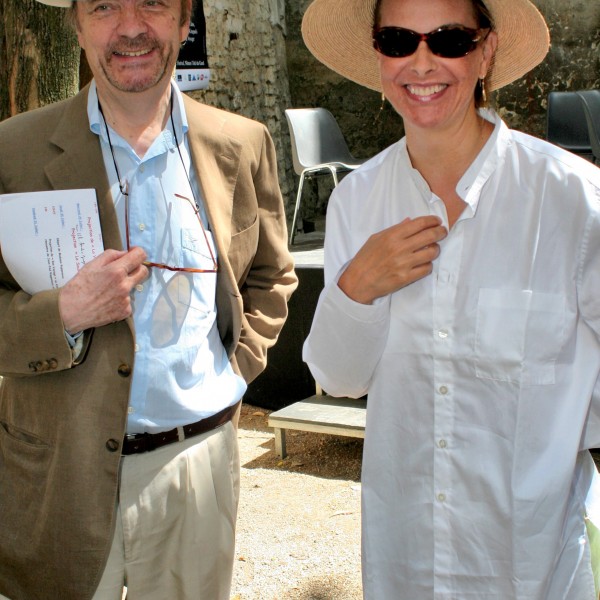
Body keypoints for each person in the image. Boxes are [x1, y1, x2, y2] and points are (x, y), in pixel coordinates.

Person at [302, 0, 600, 597]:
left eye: (449, 39)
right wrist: (357, 288)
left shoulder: (573, 202)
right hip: (406, 560)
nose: (422, 61)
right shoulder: (356, 202)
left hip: (535, 567)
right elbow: (337, 378)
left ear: (486, 51)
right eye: (397, 39)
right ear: (378, 55)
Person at [0, 0, 297, 598]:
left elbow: (271, 275)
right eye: (105, 5)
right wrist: (60, 314)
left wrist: (234, 373)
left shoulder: (241, 142)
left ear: (186, 23)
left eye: (154, 4)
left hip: (199, 469)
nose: (131, 26)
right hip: (62, 473)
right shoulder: (13, 152)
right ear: (77, 24)